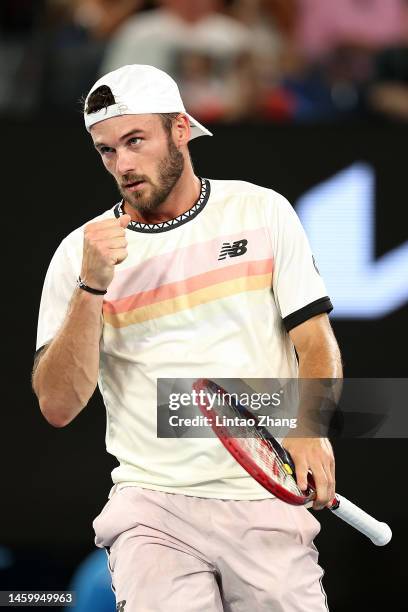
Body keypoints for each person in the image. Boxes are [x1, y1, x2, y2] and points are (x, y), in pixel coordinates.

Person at [32, 63, 342, 611]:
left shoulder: (261, 210)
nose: (122, 164)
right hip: (152, 508)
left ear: (180, 130)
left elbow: (314, 340)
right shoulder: (77, 256)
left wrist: (310, 427)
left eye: (135, 141)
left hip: (263, 500)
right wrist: (91, 287)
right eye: (106, 150)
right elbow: (57, 405)